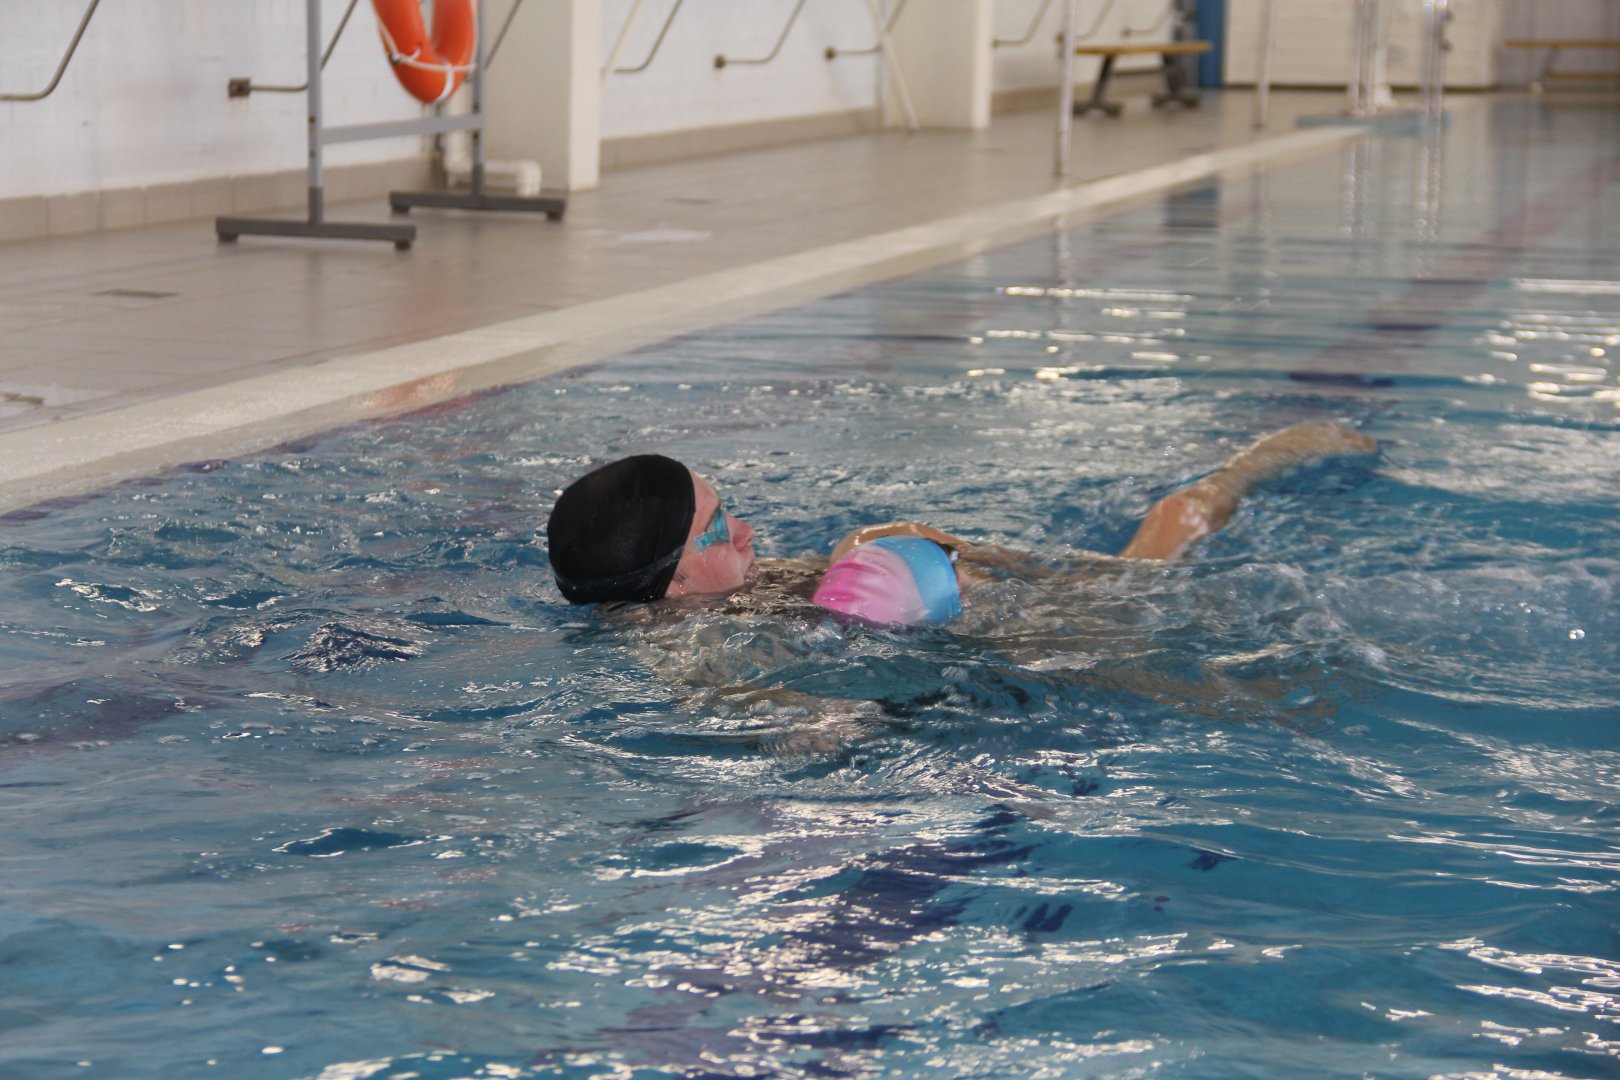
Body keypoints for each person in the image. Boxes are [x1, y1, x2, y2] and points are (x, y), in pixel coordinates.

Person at [545, 422, 1376, 608]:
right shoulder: (691, 655)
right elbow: (812, 729)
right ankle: (1240, 475)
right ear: (675, 579)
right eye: (721, 530)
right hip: (1015, 643)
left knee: (875, 538)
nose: (749, 532)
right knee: (1169, 531)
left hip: (946, 606)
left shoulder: (706, 604)